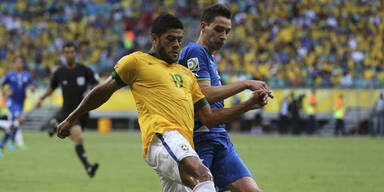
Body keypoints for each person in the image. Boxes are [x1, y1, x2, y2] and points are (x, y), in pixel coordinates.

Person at [56, 13, 269, 192]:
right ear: (155, 39)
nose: (176, 44)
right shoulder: (137, 61)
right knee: (203, 176)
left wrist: (248, 105)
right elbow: (102, 91)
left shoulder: (186, 75)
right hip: (162, 137)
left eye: (179, 39)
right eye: (170, 39)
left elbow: (209, 118)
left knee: (199, 182)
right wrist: (71, 118)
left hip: (183, 144)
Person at [178, 4, 273, 192]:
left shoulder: (210, 59)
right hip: (199, 140)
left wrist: (248, 104)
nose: (223, 36)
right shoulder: (195, 52)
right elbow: (204, 94)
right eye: (218, 29)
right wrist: (245, 84)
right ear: (203, 26)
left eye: (227, 31)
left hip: (220, 138)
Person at [36, 42, 99, 178]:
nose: (69, 55)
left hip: (83, 112)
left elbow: (96, 85)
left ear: (76, 53)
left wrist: (89, 91)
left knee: (76, 137)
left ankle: (55, 126)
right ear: (63, 55)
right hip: (69, 113)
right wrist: (41, 98)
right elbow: (51, 88)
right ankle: (88, 166)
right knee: (79, 138)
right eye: (66, 52)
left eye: (71, 52)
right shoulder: (60, 73)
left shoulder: (84, 70)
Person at [0, 56, 35, 157]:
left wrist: (32, 88)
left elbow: (32, 86)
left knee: (12, 125)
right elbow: (1, 85)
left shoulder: (27, 75)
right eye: (17, 63)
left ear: (23, 64)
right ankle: (11, 140)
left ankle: (2, 145)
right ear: (14, 64)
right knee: (20, 119)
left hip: (20, 103)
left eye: (21, 62)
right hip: (12, 102)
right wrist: (5, 93)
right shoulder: (9, 75)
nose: (19, 64)